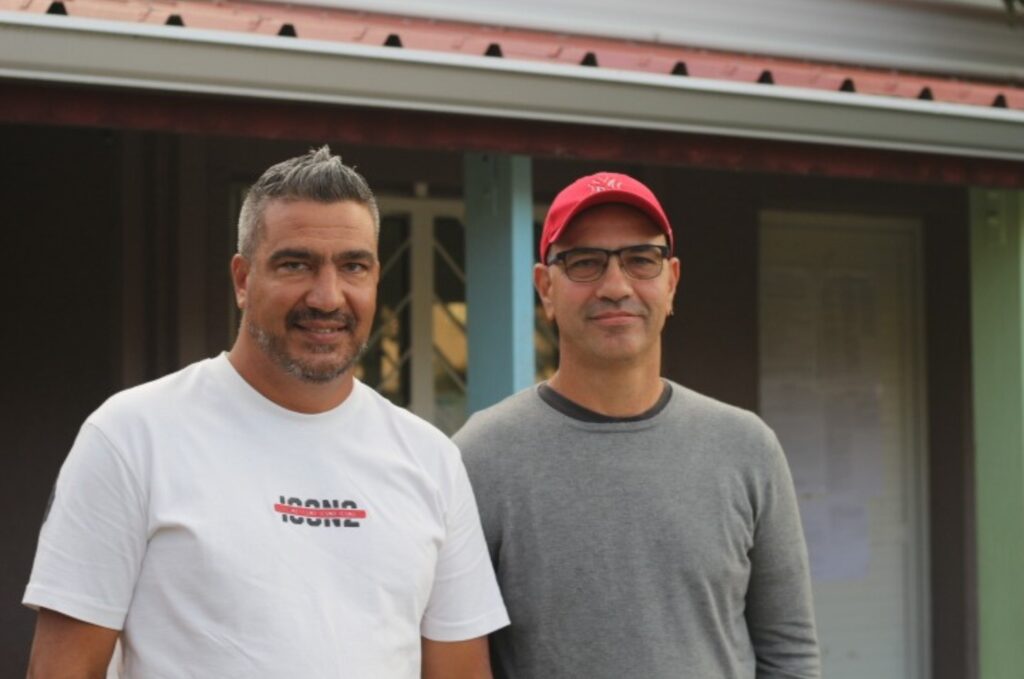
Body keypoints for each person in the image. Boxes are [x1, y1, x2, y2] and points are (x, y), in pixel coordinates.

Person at [23, 147, 508, 678]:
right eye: (295, 264)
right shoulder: (132, 436)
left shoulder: (430, 458)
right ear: (242, 279)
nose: (327, 297)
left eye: (353, 267)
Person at [454, 172, 820, 678]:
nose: (616, 286)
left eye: (640, 261)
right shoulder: (481, 456)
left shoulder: (747, 447)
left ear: (670, 281)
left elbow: (791, 655)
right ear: (546, 289)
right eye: (585, 262)